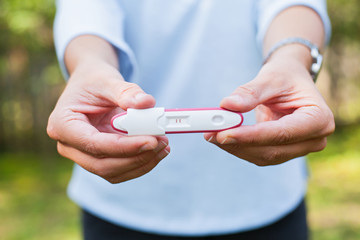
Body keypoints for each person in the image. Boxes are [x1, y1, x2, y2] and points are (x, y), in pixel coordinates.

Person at [47, 0, 335, 239]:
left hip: (265, 200)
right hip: (120, 205)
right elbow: (85, 10)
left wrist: (292, 59)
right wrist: (89, 66)